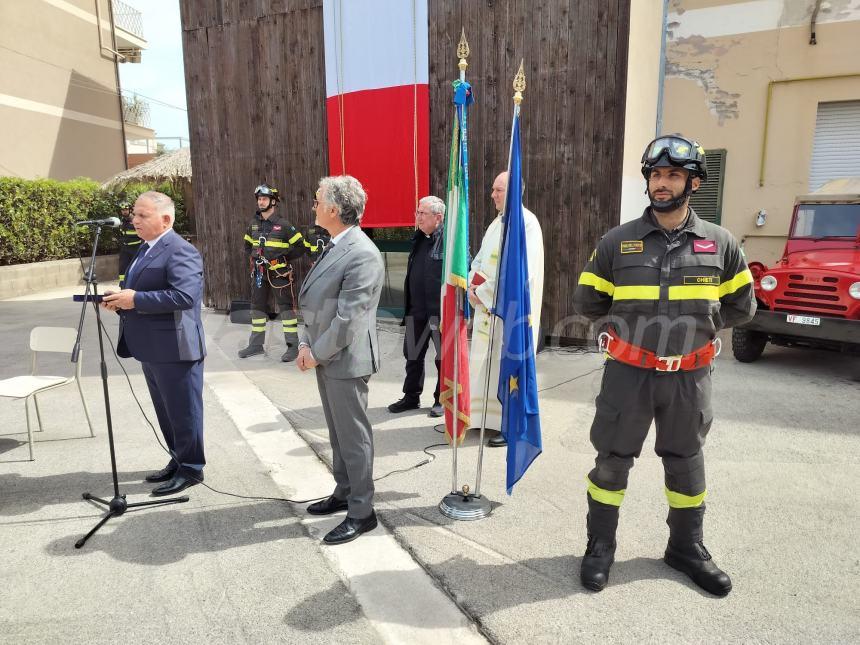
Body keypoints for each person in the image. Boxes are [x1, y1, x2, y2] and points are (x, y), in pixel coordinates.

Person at [572, 134, 756, 596]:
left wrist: (698, 330)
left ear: (692, 182)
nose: (662, 182)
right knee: (612, 463)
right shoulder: (616, 242)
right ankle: (599, 546)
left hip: (690, 379)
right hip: (628, 376)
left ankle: (686, 548)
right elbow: (587, 301)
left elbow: (742, 307)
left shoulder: (722, 243)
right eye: (656, 174)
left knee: (686, 463)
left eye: (673, 174)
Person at [296, 175, 385, 545]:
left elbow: (348, 319)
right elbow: (313, 302)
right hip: (323, 354)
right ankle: (344, 491)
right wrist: (306, 344)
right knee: (337, 432)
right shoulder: (336, 244)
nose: (314, 205)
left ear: (334, 209)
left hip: (344, 359)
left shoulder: (362, 253)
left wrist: (314, 353)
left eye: (318, 200)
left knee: (353, 437)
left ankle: (362, 512)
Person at [102, 191, 207, 496]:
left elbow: (185, 297)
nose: (134, 220)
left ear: (165, 219)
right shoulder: (145, 249)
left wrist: (134, 299)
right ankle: (178, 458)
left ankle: (191, 468)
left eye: (142, 215)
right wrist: (120, 299)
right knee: (166, 411)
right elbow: (141, 290)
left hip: (176, 348)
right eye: (134, 214)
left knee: (183, 410)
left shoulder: (179, 250)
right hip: (151, 347)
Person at [467, 171, 544, 447]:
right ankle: (482, 419)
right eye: (492, 189)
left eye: (498, 190)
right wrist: (470, 285)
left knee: (507, 366)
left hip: (509, 313)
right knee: (485, 364)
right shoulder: (496, 224)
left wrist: (484, 292)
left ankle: (509, 425)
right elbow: (479, 260)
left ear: (512, 191)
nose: (492, 195)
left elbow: (521, 273)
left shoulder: (527, 224)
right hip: (487, 309)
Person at [238, 183, 312, 362]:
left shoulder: (284, 225)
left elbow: (301, 247)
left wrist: (283, 259)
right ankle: (256, 345)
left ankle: (293, 347)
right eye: (259, 199)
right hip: (259, 274)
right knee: (257, 309)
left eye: (264, 199)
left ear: (273, 202)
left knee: (286, 309)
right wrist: (255, 258)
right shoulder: (253, 225)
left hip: (280, 275)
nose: (261, 202)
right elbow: (247, 245)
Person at [388, 196, 445, 418]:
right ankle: (411, 397)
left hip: (439, 313)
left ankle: (442, 399)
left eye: (423, 213)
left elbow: (463, 272)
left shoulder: (450, 242)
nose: (418, 217)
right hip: (416, 310)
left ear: (438, 218)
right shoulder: (419, 238)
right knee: (412, 356)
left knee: (443, 359)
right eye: (417, 212)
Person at [116, 197, 143, 283]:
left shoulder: (135, 220)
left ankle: (136, 284)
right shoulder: (121, 220)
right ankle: (122, 284)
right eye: (122, 210)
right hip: (125, 248)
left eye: (126, 209)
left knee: (136, 267)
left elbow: (142, 233)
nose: (124, 211)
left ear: (130, 210)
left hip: (135, 248)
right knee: (122, 267)